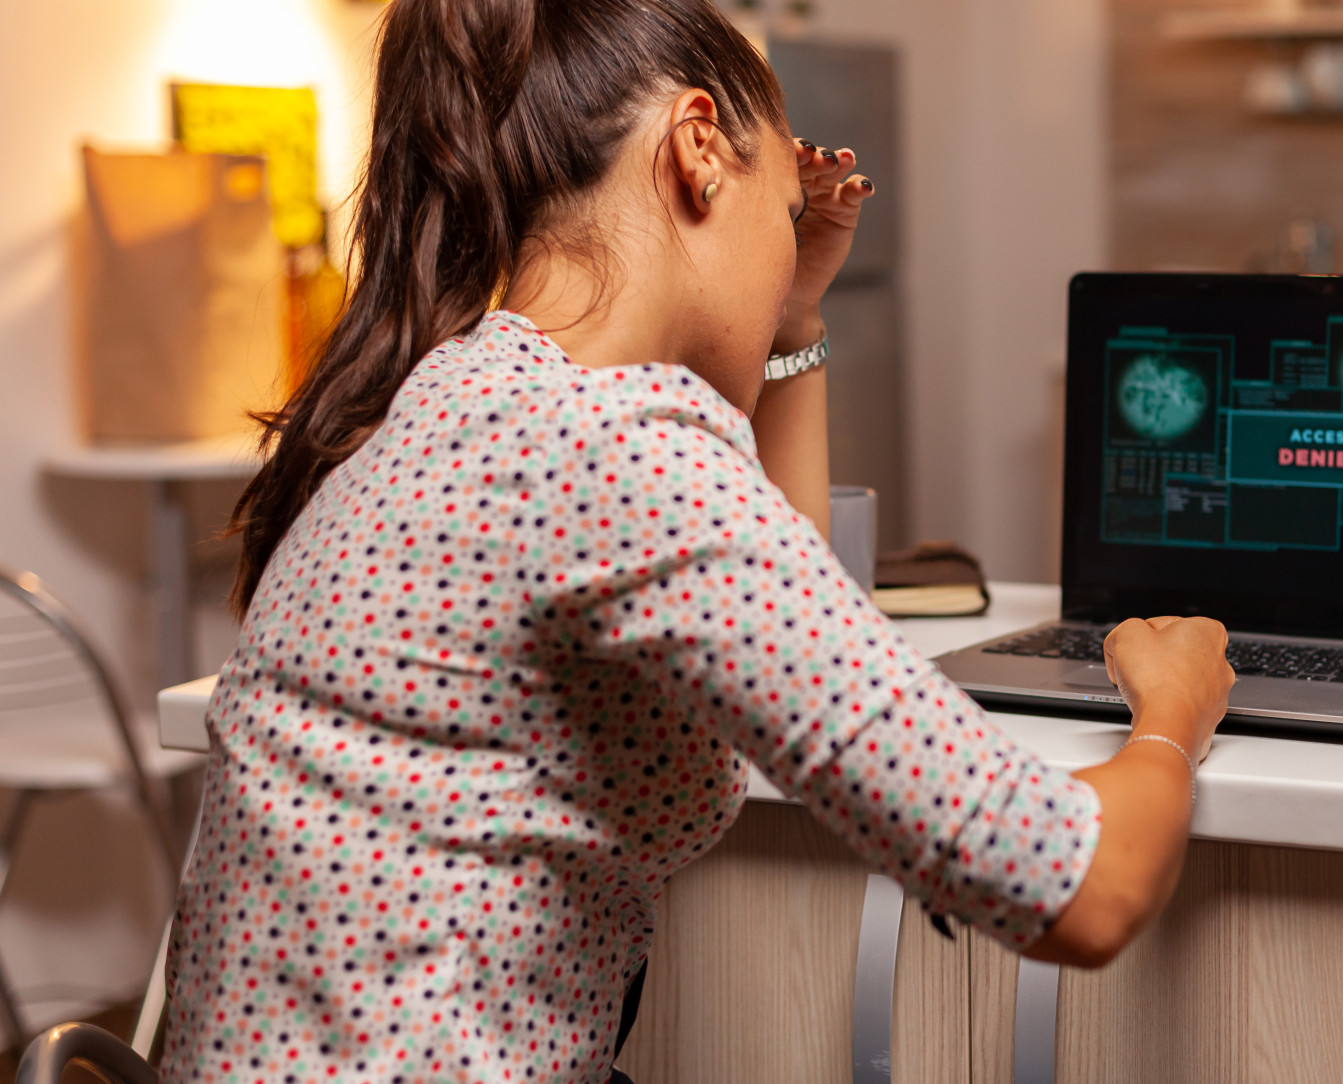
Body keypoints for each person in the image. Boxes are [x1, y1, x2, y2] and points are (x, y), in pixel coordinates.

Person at [163, 1, 1234, 1080]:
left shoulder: (459, 396)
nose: (782, 260)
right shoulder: (609, 450)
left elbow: (783, 608)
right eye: (780, 216)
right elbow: (1079, 888)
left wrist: (796, 319)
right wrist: (1172, 708)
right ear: (696, 151)